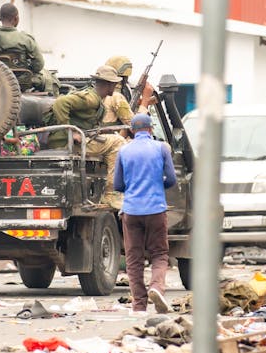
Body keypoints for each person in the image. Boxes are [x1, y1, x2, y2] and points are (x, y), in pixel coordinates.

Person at [113, 113, 176, 315]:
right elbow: (172, 179)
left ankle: (139, 305)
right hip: (156, 209)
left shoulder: (123, 151)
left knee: (134, 258)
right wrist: (158, 185)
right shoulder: (162, 148)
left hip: (131, 211)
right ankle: (156, 288)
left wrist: (133, 189)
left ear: (132, 131)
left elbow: (118, 185)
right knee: (159, 254)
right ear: (151, 130)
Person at [43, 65, 127, 208]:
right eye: (114, 83)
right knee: (118, 143)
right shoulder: (91, 98)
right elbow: (60, 103)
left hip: (71, 141)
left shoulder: (96, 99)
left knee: (112, 140)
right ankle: (111, 194)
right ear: (108, 84)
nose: (115, 86)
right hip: (66, 142)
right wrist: (71, 131)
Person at [0, 3, 58, 94]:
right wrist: (28, 68)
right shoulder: (26, 39)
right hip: (23, 82)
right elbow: (39, 65)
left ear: (0, 18)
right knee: (50, 78)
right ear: (16, 18)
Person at [102, 56, 136, 127]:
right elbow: (137, 127)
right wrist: (145, 102)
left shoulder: (97, 94)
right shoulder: (116, 97)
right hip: (113, 137)